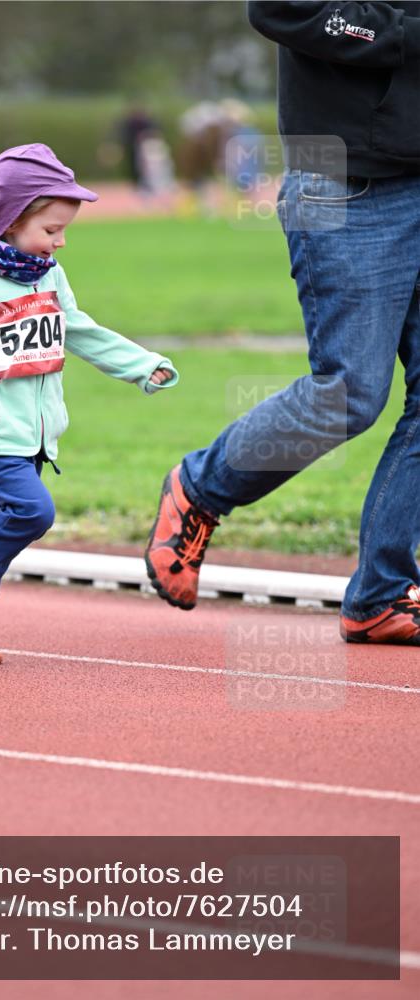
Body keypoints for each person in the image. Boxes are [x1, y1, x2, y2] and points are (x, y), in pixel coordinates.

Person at [146, 1, 420, 646]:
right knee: (349, 395)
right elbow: (279, 7)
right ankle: (201, 487)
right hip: (348, 186)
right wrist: (404, 35)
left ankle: (381, 593)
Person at [0, 143, 178, 664]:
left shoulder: (48, 275)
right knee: (32, 511)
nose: (60, 241)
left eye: (64, 230)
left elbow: (79, 330)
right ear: (10, 219)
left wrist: (141, 365)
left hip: (37, 435)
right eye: (51, 230)